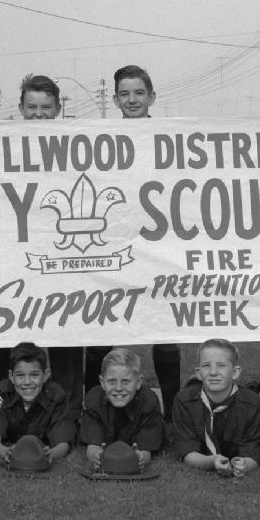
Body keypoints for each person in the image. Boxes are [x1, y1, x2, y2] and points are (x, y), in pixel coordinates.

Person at [86, 64, 181, 417]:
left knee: (166, 325)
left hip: (160, 243)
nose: (132, 100)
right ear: (114, 99)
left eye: (139, 93)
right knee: (101, 318)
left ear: (152, 96)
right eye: (124, 94)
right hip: (113, 244)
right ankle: (96, 409)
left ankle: (173, 414)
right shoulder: (100, 137)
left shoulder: (170, 135)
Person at [0, 74, 85, 419]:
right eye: (33, 108)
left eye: (47, 108)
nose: (40, 115)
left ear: (58, 109)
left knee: (68, 333)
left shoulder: (78, 145)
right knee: (7, 332)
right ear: (21, 109)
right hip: (16, 253)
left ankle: (70, 414)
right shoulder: (3, 145)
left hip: (63, 253)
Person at [171, 338, 260, 477]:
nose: (213, 372)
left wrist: (244, 464)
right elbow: (187, 451)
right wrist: (212, 461)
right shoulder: (183, 401)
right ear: (198, 373)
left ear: (235, 372)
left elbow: (253, 452)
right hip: (206, 458)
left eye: (221, 365)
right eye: (206, 366)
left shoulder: (253, 404)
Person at [0, 341, 74, 465]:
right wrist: (4, 452)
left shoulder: (57, 396)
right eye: (20, 375)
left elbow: (63, 443)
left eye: (34, 375)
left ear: (45, 375)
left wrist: (51, 455)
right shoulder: (1, 392)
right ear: (11, 377)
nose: (27, 382)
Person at [79, 347, 164, 472]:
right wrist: (95, 457)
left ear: (138, 382)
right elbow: (93, 446)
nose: (118, 388)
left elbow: (146, 449)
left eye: (126, 382)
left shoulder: (148, 403)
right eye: (112, 381)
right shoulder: (93, 401)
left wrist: (141, 458)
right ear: (102, 382)